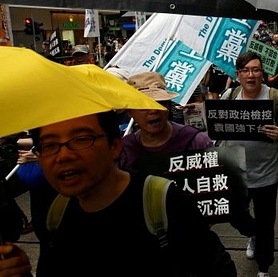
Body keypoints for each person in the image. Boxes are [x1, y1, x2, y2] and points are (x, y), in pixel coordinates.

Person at [0, 111, 236, 276]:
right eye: (49, 145)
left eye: (81, 139)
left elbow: (218, 269)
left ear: (115, 145)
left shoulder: (162, 201)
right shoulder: (56, 215)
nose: (63, 156)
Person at [221, 52, 278, 277]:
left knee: (266, 221)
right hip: (235, 173)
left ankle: (264, 266)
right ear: (238, 74)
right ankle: (254, 234)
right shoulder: (229, 96)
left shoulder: (275, 97)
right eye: (245, 71)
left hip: (266, 174)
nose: (251, 75)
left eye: (256, 70)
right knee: (234, 214)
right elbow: (216, 127)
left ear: (263, 72)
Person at [120, 72, 212, 172]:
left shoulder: (196, 141)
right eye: (144, 106)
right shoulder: (124, 149)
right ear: (129, 111)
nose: (153, 111)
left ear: (168, 106)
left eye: (160, 103)